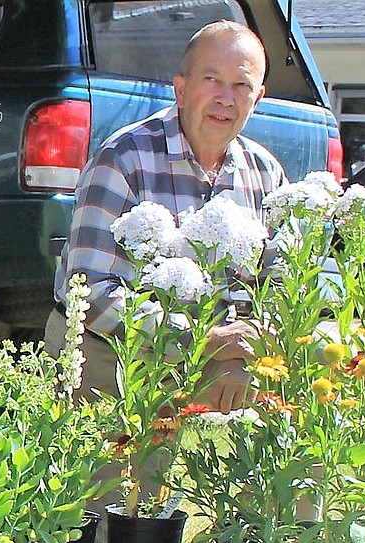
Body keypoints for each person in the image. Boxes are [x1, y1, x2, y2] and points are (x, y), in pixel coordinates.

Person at [47, 19, 286, 413]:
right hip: (106, 360)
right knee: (115, 474)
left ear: (258, 97)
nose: (226, 98)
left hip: (214, 363)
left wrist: (250, 349)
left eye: (241, 86)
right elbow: (90, 292)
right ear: (180, 88)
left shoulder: (265, 172)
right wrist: (204, 341)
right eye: (212, 79)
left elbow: (282, 283)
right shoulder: (123, 158)